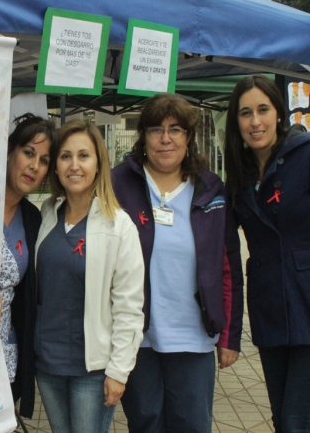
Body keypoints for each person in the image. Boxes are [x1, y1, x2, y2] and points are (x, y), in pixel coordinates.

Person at [112, 93, 244, 433]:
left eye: (176, 129)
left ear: (189, 137)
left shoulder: (211, 190)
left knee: (191, 425)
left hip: (193, 336)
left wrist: (230, 335)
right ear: (143, 136)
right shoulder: (118, 185)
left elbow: (228, 266)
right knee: (145, 423)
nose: (166, 138)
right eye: (156, 129)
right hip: (135, 338)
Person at [34, 120, 145, 433]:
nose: (74, 165)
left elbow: (129, 307)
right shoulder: (47, 213)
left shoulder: (119, 226)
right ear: (55, 165)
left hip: (92, 370)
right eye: (65, 156)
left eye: (84, 156)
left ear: (99, 164)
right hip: (48, 362)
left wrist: (119, 371)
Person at [224, 74, 310, 432]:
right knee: (281, 419)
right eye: (245, 113)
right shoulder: (238, 176)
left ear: (279, 113)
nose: (255, 121)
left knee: (295, 422)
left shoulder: (305, 155)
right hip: (269, 310)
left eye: (263, 110)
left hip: (307, 303)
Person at [0, 113, 56, 419]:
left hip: (3, 358)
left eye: (44, 160)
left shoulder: (33, 220)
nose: (34, 166)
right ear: (9, 152)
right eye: (29, 152)